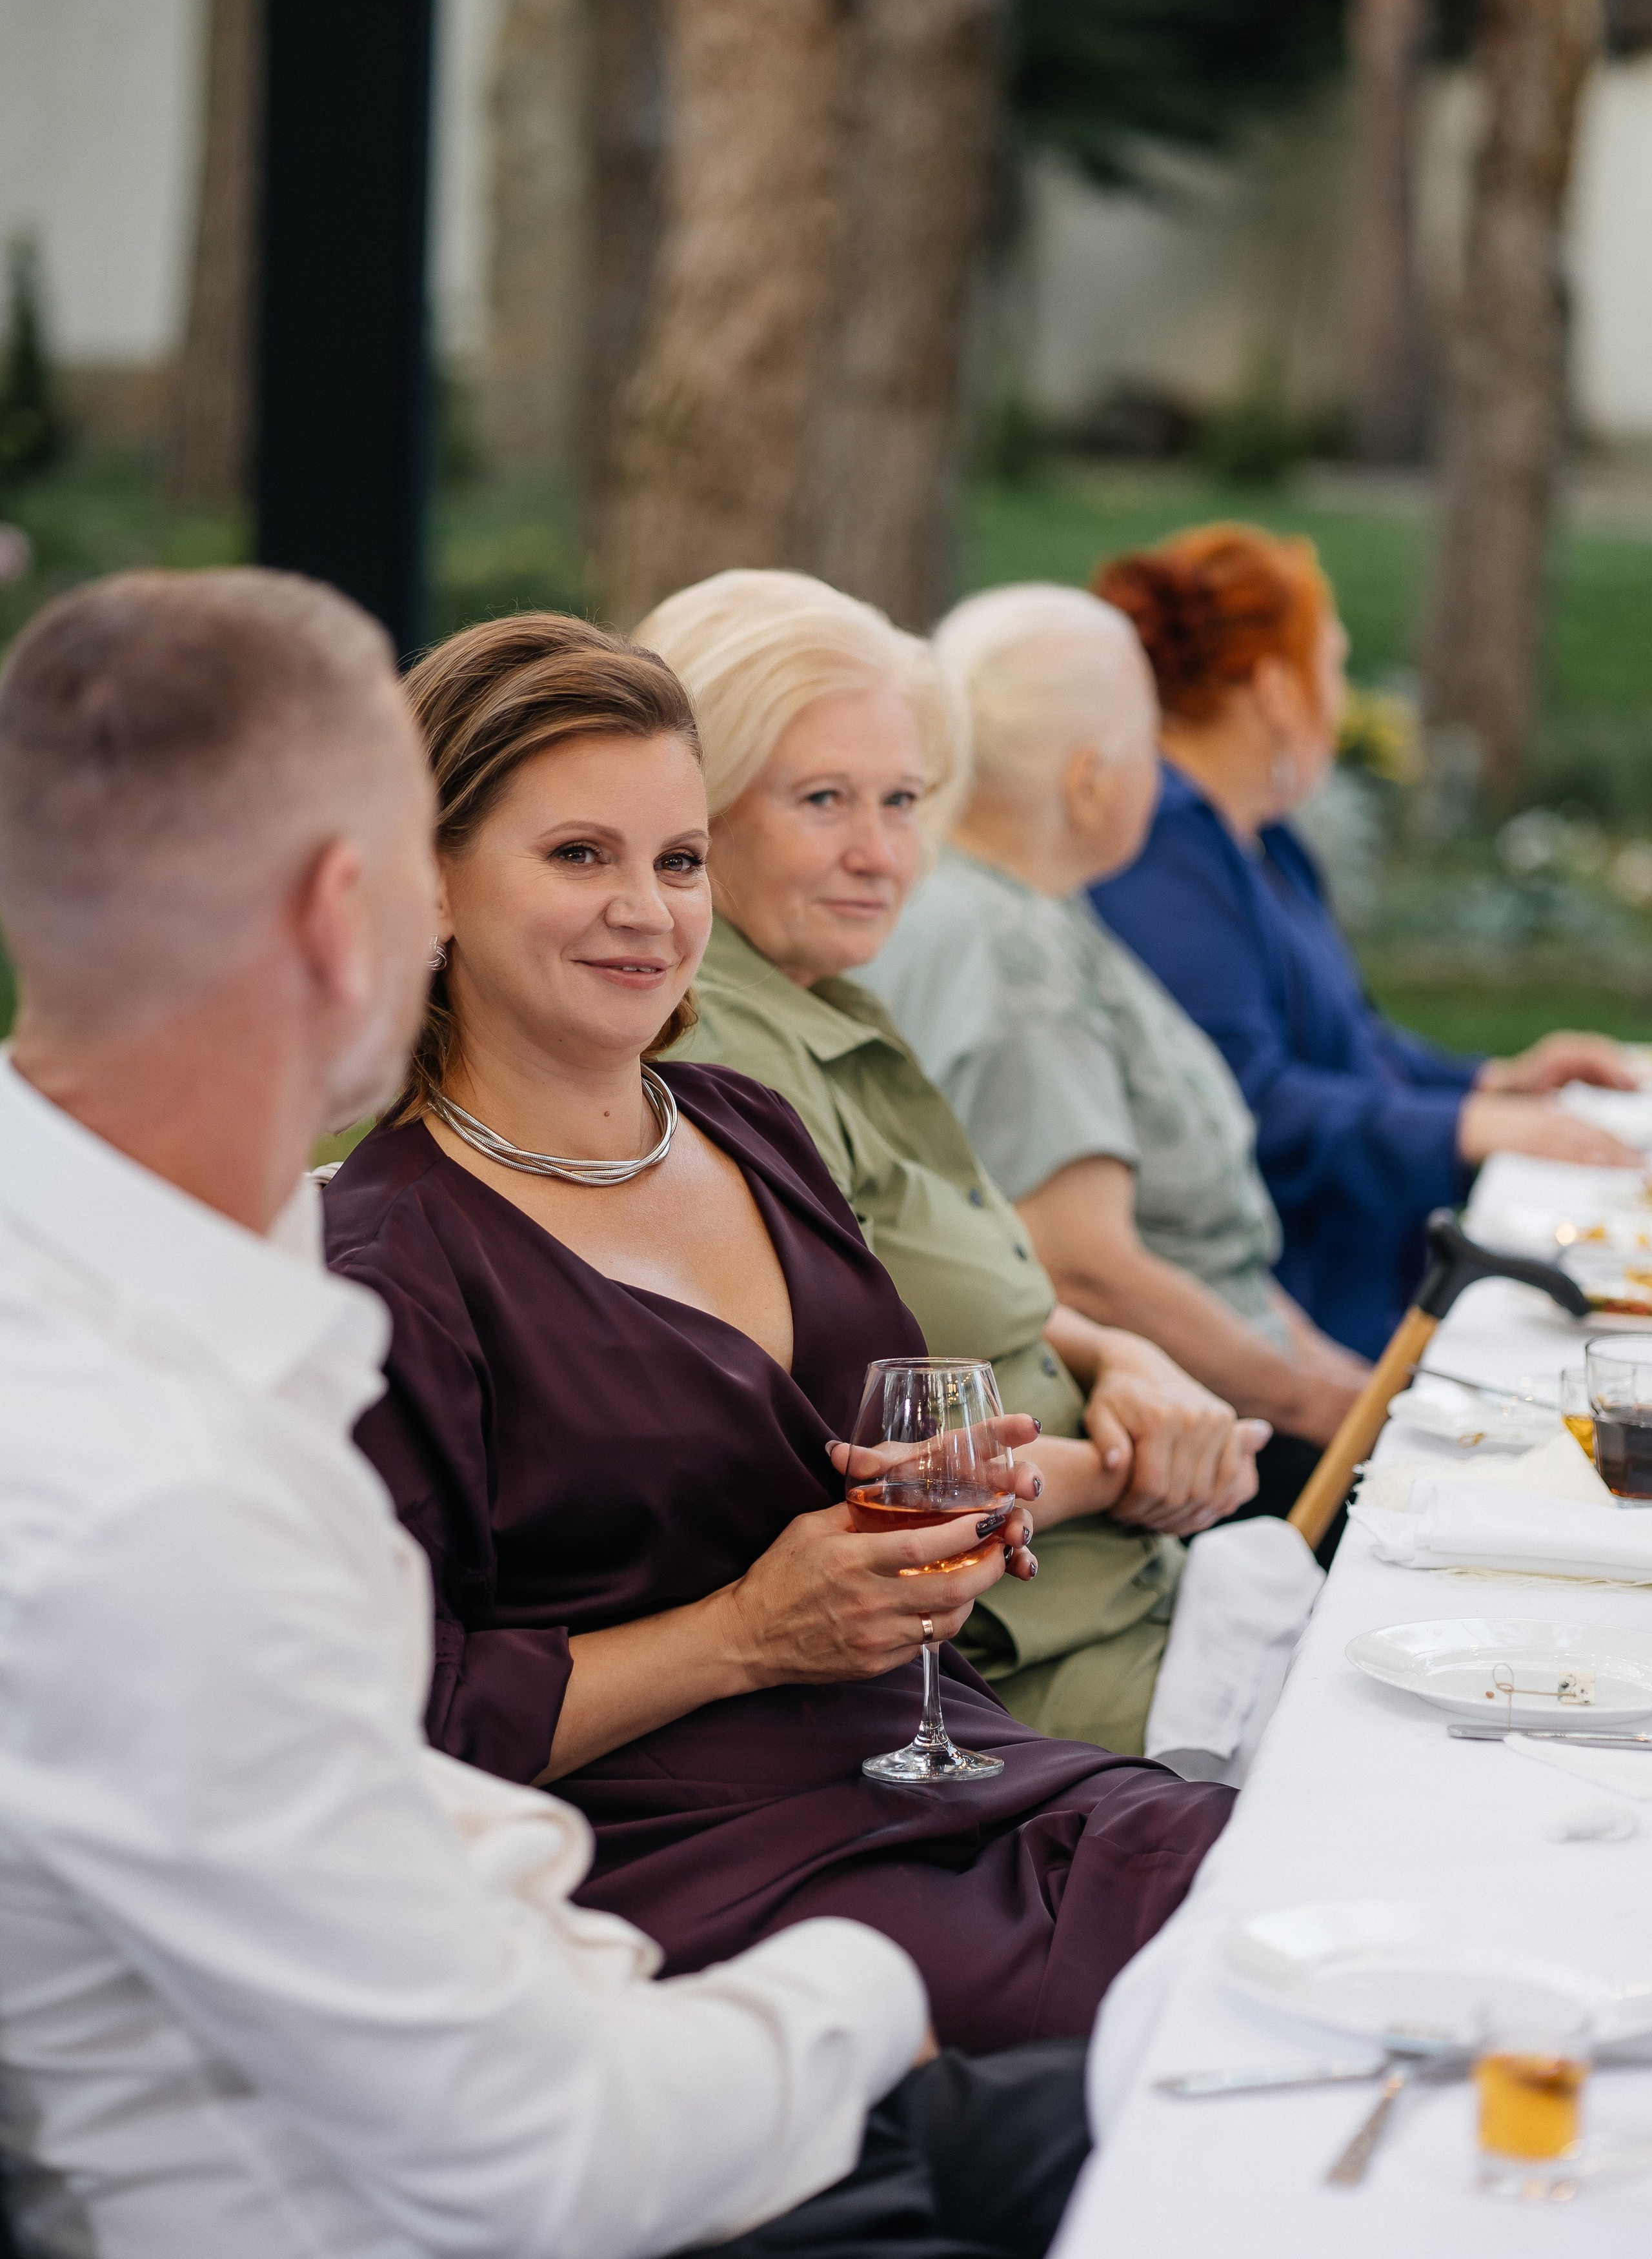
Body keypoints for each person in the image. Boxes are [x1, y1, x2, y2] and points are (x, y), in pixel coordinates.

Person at [0, 570, 1088, 2259]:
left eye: (674, 859)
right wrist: (880, 1984)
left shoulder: (137, 1303)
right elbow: (541, 2160)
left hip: (596, 2014)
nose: (646, 910)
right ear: (352, 907)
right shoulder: (156, 1494)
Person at [324, 609, 1233, 2056]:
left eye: (677, 860)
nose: (649, 909)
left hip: (946, 1760)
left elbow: (826, 1470)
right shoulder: (390, 1261)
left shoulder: (748, 1127)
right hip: (682, 1848)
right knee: (1205, 2004)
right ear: (430, 884)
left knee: (1282, 1877)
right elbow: (402, 1716)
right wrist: (745, 1636)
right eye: (580, 855)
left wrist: (950, 1498)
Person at [634, 570, 1265, 1750]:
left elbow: (965, 1288)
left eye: (904, 800)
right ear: (696, 809)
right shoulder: (718, 1049)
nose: (883, 853)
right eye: (824, 799)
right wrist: (1134, 1464)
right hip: (999, 1675)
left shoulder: (827, 1003)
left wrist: (1122, 1356)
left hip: (1127, 1598)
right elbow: (852, 1466)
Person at [861, 584, 1369, 1526]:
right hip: (1189, 1456)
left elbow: (1211, 1243)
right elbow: (1086, 1264)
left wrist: (1355, 1382)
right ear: (1093, 781)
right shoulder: (1015, 956)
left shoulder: (1014, 905)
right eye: (1151, 747)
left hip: (1216, 1408)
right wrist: (1335, 1412)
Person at [1087, 523, 1641, 1357]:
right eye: (1334, 666)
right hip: (1286, 1311)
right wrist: (1465, 1127)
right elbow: (1246, 1098)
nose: (1339, 700)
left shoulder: (1259, 838)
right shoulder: (1167, 849)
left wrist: (1493, 1082)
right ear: (1275, 688)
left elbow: (1348, 1040)